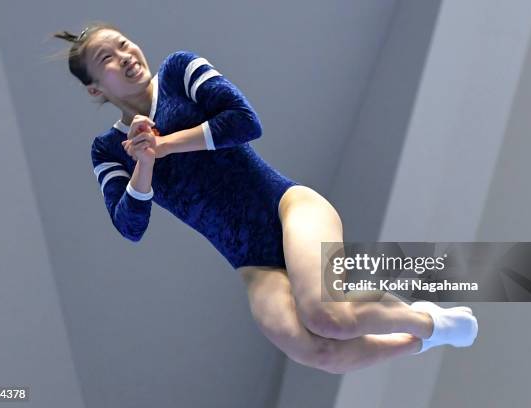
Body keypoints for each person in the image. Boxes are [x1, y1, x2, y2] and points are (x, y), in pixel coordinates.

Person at [53, 22, 478, 374]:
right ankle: (426, 338)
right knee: (318, 352)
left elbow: (243, 121)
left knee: (325, 316)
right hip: (251, 262)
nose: (126, 55)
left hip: (288, 208)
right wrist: (143, 163)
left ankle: (425, 318)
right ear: (94, 90)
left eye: (124, 43)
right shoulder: (109, 150)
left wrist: (164, 146)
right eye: (107, 58)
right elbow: (130, 227)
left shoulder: (180, 71)